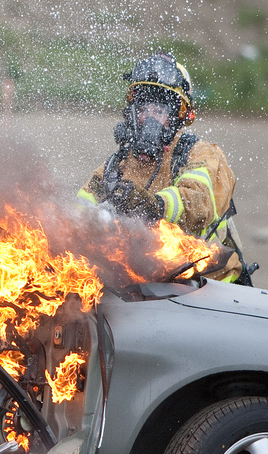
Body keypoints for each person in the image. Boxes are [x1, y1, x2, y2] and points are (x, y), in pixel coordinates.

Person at [77, 52, 249, 282]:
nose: (150, 118)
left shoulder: (199, 153)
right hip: (146, 290)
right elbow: (77, 216)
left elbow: (200, 204)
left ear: (179, 116)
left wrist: (155, 205)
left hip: (209, 289)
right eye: (144, 109)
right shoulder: (114, 168)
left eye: (159, 111)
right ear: (132, 113)